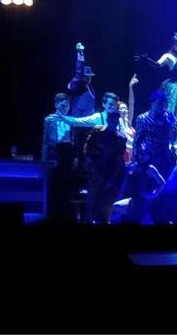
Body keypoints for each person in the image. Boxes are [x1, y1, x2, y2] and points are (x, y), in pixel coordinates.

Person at [83, 109, 127, 224]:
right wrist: (90, 168)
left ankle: (103, 219)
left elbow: (119, 158)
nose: (114, 122)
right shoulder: (97, 131)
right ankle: (89, 219)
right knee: (93, 197)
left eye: (116, 120)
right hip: (96, 171)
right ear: (107, 119)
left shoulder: (121, 137)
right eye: (112, 119)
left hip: (111, 173)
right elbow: (88, 148)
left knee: (107, 200)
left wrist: (114, 176)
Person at [41, 93, 77, 221]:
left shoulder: (71, 120)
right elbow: (45, 142)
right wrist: (44, 160)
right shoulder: (49, 120)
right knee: (53, 184)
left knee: (66, 184)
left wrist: (74, 157)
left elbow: (73, 140)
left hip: (67, 153)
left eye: (67, 105)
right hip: (54, 153)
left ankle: (64, 214)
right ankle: (51, 214)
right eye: (63, 105)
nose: (65, 108)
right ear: (56, 105)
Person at [133, 91, 177, 179]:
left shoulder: (169, 118)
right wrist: (136, 158)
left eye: (163, 104)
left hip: (164, 157)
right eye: (159, 104)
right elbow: (137, 141)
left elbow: (174, 137)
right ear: (152, 104)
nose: (161, 107)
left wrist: (171, 124)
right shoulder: (143, 118)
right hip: (149, 157)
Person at [66, 42, 97, 117]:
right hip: (77, 119)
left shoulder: (90, 88)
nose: (88, 78)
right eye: (86, 76)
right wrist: (80, 53)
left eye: (89, 77)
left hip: (89, 120)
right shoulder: (77, 86)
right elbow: (79, 72)